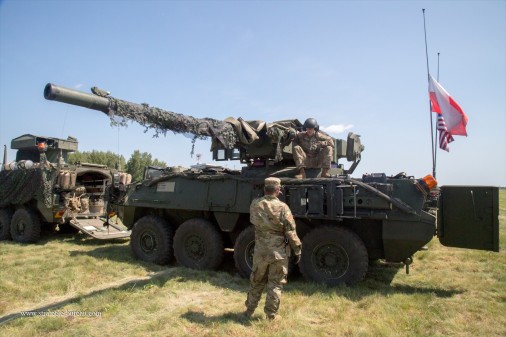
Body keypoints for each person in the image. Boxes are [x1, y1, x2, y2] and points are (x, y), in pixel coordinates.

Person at [244, 177, 302, 321]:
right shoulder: (283, 207)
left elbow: (253, 221)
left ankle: (249, 310)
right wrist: (297, 248)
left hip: (260, 250)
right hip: (278, 252)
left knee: (256, 281)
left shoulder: (255, 204)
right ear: (278, 190)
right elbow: (290, 231)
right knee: (275, 284)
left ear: (265, 189)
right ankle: (271, 315)